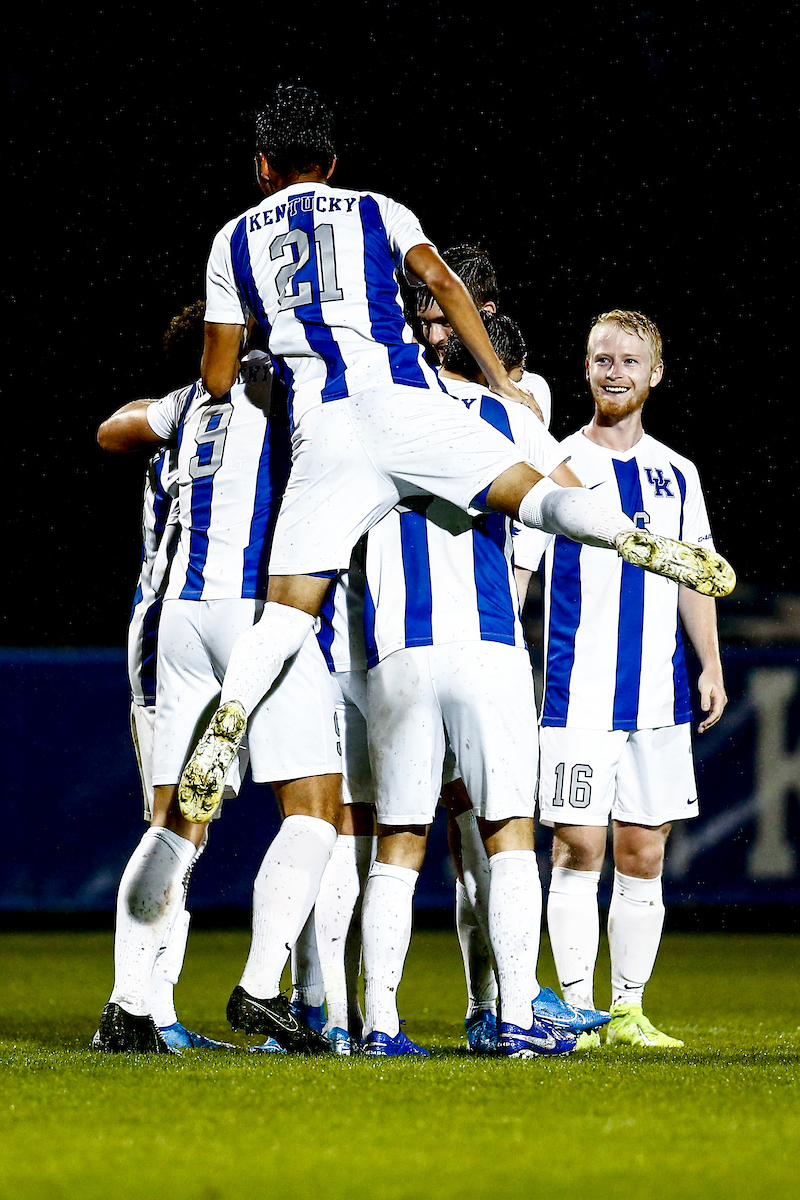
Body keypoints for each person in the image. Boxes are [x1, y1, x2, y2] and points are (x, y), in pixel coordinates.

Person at [358, 314, 610, 1058]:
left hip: (399, 650)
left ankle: (379, 1027)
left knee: (398, 846)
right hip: (489, 644)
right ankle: (515, 1019)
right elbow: (571, 507)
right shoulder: (513, 416)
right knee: (507, 837)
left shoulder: (383, 408)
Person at [93, 329, 343, 1055]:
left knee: (175, 822)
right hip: (254, 612)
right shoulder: (288, 386)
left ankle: (129, 1004)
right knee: (314, 807)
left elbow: (112, 431)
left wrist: (179, 397)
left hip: (175, 618)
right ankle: (262, 990)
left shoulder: (189, 404)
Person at [516, 309, 728, 1049]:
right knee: (579, 847)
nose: (614, 371)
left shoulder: (679, 473)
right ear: (584, 369)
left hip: (659, 696)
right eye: (601, 358)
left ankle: (630, 1010)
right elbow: (519, 572)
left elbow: (693, 575)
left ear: (655, 373)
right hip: (577, 693)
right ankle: (578, 1013)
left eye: (629, 360)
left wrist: (710, 666)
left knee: (644, 852)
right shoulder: (555, 464)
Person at [415, 243, 552, 427]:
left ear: (485, 314)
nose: (433, 337)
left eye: (446, 322)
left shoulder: (529, 389)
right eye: (425, 323)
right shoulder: (418, 379)